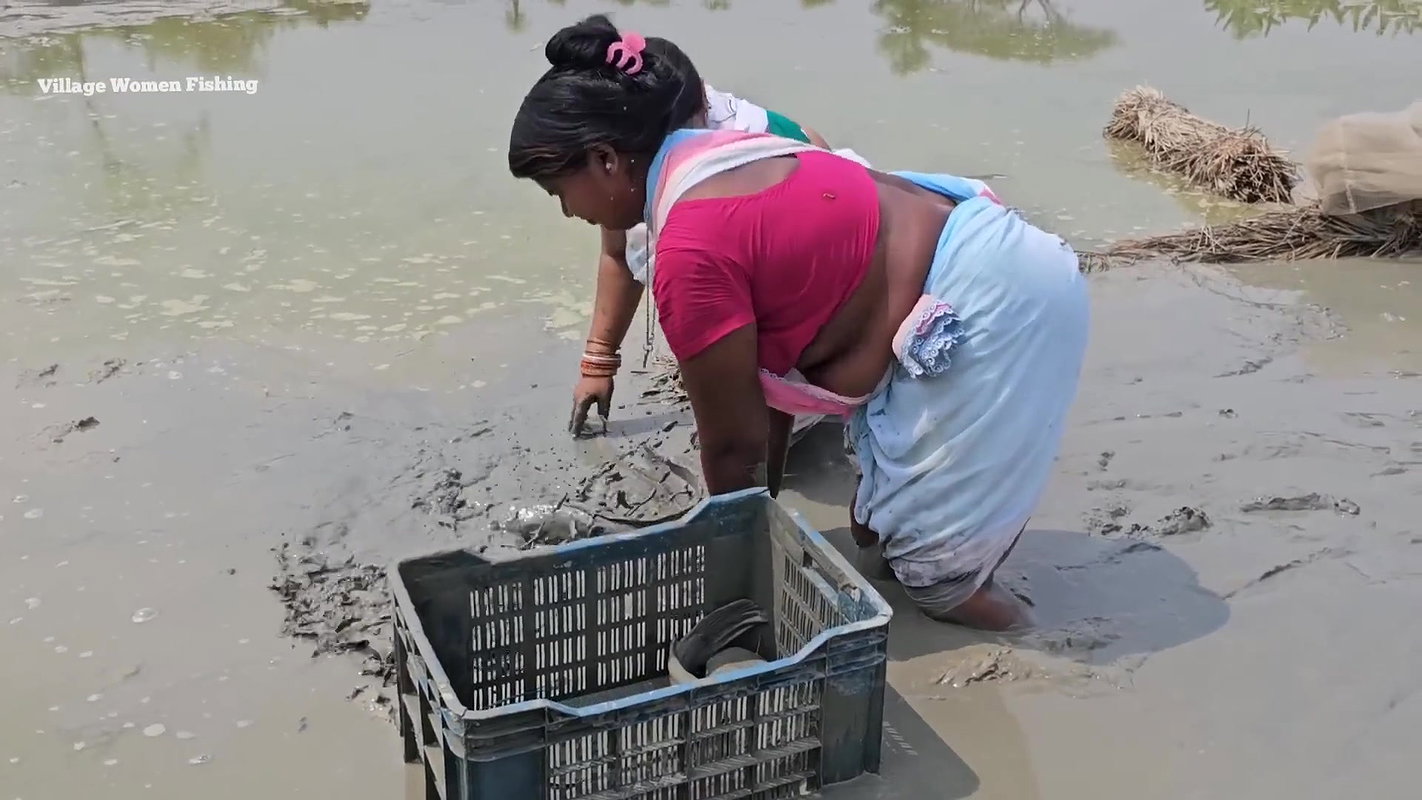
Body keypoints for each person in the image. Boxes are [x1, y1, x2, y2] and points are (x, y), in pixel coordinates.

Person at [508, 16, 1090, 631]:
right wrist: (761, 517)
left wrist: (731, 586)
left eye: (557, 191)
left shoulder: (690, 252)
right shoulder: (718, 149)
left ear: (604, 160)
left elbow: (734, 445)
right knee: (875, 536)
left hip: (992, 301)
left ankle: (1052, 644)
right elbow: (764, 397)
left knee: (941, 588)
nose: (568, 212)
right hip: (973, 251)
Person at [567, 30, 828, 435]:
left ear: (700, 115)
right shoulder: (630, 160)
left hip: (818, 338)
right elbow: (618, 253)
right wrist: (598, 362)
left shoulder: (766, 152)